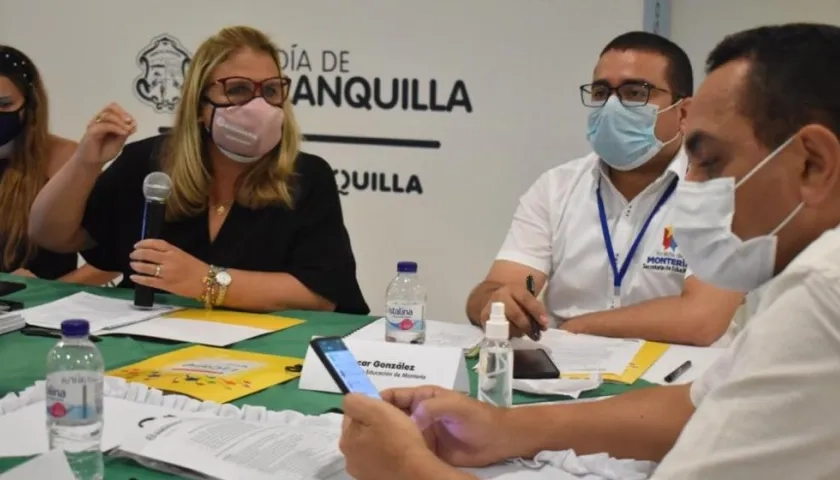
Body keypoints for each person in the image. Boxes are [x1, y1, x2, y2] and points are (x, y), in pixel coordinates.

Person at [339, 23, 840, 479]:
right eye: (602, 91)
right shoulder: (809, 278)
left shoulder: (822, 290)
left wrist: (406, 468)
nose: (697, 183)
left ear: (813, 165)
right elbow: (699, 405)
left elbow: (701, 328)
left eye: (709, 160)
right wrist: (506, 428)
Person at [28, 26, 369, 314]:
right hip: (146, 342)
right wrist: (87, 161)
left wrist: (207, 281)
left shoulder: (305, 176)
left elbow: (322, 294)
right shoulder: (148, 162)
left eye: (270, 90)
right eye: (237, 90)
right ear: (200, 103)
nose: (258, 105)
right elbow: (54, 236)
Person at [466, 32, 743, 346]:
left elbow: (700, 319)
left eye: (635, 92)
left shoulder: (724, 192)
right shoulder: (556, 187)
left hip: (681, 382)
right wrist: (496, 303)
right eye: (601, 92)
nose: (612, 106)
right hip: (567, 378)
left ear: (683, 113)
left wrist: (579, 327)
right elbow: (492, 290)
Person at [0, 46, 117, 284]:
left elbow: (115, 257)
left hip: (41, 313)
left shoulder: (67, 159)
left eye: (4, 104)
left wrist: (46, 290)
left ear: (31, 103)